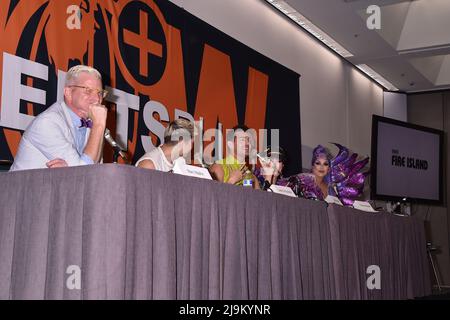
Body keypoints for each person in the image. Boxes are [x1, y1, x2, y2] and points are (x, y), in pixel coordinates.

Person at [10, 65, 108, 171]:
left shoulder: (92, 124)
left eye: (100, 93)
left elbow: (96, 172)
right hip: (23, 187)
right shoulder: (47, 122)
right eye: (88, 90)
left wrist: (69, 172)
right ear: (68, 92)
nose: (97, 99)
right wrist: (99, 125)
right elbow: (83, 173)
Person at [286, 143, 369, 206]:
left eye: (325, 164)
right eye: (318, 163)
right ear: (312, 166)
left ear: (329, 168)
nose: (321, 167)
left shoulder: (332, 189)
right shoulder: (301, 180)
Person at [208, 124, 259, 188]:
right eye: (242, 140)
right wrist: (231, 181)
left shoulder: (252, 176)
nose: (247, 143)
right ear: (230, 144)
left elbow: (260, 198)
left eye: (249, 140)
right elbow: (211, 196)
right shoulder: (218, 167)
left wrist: (269, 176)